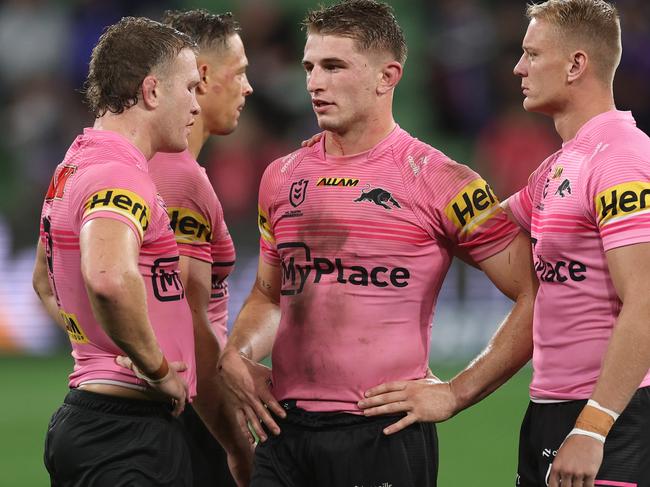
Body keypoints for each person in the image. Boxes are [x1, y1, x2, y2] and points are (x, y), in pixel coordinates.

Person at [217, 1, 537, 486]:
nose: (314, 83)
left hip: (382, 433)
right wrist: (239, 354)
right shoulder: (281, 178)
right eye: (309, 66)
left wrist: (456, 392)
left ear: (387, 76)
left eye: (334, 66)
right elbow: (270, 296)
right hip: (284, 431)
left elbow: (536, 292)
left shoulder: (442, 181)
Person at [360, 1, 650, 487]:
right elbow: (472, 232)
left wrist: (595, 427)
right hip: (550, 410)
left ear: (577, 65)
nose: (518, 67)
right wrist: (373, 181)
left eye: (532, 54)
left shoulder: (621, 160)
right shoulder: (559, 167)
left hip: (609, 418)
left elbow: (644, 301)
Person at [31, 17, 202, 486]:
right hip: (124, 435)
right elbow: (107, 277)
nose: (195, 103)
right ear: (151, 91)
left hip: (104, 424)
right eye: (189, 87)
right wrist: (155, 366)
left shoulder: (74, 164)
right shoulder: (116, 174)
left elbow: (45, 283)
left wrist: (103, 345)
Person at [148, 9, 253, 487]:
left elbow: (47, 281)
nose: (248, 88)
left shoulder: (105, 160)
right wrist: (235, 444)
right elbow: (189, 322)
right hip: (186, 412)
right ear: (203, 76)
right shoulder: (180, 177)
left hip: (132, 400)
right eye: (242, 72)